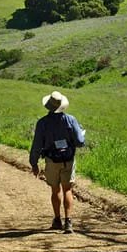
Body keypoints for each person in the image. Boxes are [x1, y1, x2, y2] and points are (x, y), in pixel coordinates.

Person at [29, 91, 85, 234]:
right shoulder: (71, 120)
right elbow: (80, 142)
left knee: (55, 190)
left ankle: (57, 219)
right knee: (67, 189)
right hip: (68, 159)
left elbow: (36, 145)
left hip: (51, 160)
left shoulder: (42, 123)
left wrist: (34, 163)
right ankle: (68, 221)